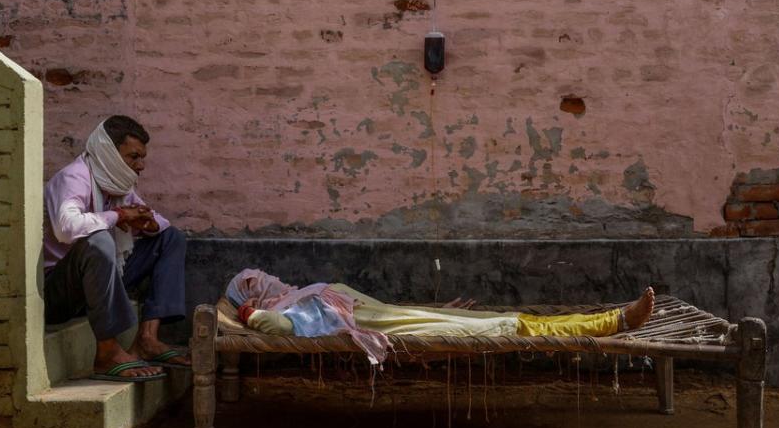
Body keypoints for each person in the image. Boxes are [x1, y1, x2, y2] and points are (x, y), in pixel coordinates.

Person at [225, 269, 656, 364]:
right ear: (253, 296)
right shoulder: (289, 309)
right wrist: (248, 314)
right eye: (253, 280)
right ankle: (615, 322)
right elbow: (279, 327)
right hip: (400, 328)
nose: (265, 275)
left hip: (405, 317)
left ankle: (615, 318)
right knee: (514, 326)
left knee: (510, 316)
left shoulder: (301, 293)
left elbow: (376, 306)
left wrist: (433, 310)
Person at [43, 115, 189, 381]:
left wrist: (147, 223)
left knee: (171, 238)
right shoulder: (74, 178)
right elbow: (66, 227)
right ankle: (107, 353)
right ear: (109, 153)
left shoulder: (117, 183)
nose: (140, 166)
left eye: (142, 158)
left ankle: (147, 339)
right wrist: (118, 217)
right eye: (133, 157)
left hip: (100, 282)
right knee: (99, 240)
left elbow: (154, 219)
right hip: (60, 291)